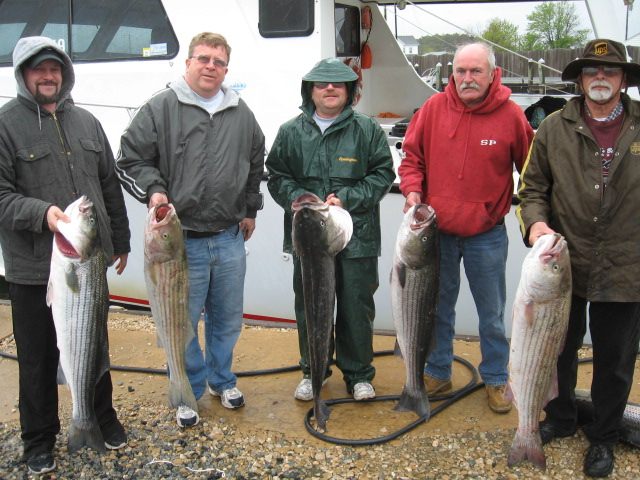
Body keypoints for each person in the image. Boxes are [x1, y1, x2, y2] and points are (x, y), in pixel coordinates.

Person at [116, 32, 265, 427]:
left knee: (228, 319)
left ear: (226, 69)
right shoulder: (161, 107)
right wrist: (155, 190)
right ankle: (187, 387)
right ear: (188, 64)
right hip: (180, 244)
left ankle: (222, 379)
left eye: (218, 61)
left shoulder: (242, 113)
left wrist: (251, 208)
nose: (210, 67)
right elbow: (129, 158)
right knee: (178, 323)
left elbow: (255, 158)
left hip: (229, 238)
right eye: (203, 59)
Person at [0, 36, 131, 474]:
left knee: (94, 347)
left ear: (65, 74)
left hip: (89, 263)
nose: (48, 76)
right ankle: (39, 439)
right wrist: (44, 215)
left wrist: (123, 241)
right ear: (23, 75)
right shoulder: (5, 124)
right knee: (37, 358)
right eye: (38, 69)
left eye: (54, 68)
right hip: (34, 268)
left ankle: (101, 417)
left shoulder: (88, 123)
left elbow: (109, 187)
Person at [516, 38, 640, 478]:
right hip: (563, 265)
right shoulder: (552, 127)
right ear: (580, 80)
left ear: (624, 80)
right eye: (591, 72)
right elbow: (531, 190)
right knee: (556, 351)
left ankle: (604, 437)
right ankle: (561, 418)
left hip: (628, 267)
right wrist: (536, 226)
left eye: (609, 72)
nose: (600, 78)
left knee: (615, 360)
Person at [399, 42, 534, 413]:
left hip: (486, 234)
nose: (467, 78)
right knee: (436, 308)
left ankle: (494, 377)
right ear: (452, 74)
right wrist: (412, 191)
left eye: (476, 71)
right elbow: (411, 159)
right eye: (461, 71)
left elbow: (533, 171)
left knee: (491, 312)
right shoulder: (432, 109)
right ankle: (439, 370)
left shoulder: (511, 116)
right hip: (435, 234)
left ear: (493, 73)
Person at [266, 58, 395, 402]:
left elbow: (383, 173)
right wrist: (298, 198)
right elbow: (276, 175)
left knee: (356, 306)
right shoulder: (290, 131)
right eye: (322, 84)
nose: (330, 89)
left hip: (358, 237)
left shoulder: (367, 130)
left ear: (350, 91)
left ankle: (358, 375)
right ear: (310, 90)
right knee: (310, 306)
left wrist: (349, 199)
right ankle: (314, 371)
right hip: (308, 239)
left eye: (338, 84)